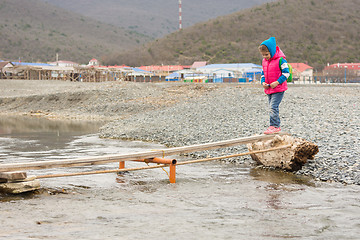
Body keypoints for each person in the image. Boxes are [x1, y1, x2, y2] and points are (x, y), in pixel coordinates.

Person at [258, 37, 289, 134]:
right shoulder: (264, 61)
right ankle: (273, 126)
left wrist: (277, 82)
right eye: (263, 55)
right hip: (269, 89)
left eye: (266, 54)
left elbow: (286, 74)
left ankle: (275, 126)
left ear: (271, 51)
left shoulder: (281, 60)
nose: (265, 57)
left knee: (273, 107)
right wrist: (263, 82)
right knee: (271, 107)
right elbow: (263, 73)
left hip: (279, 88)